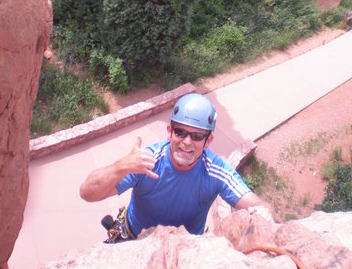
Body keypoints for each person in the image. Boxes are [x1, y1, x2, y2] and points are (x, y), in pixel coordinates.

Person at [80, 93, 273, 241]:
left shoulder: (215, 171)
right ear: (169, 132)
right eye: (180, 132)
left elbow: (258, 206)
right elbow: (87, 192)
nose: (187, 142)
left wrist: (262, 211)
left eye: (197, 136)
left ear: (208, 141)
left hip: (183, 250)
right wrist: (121, 166)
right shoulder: (146, 162)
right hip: (134, 239)